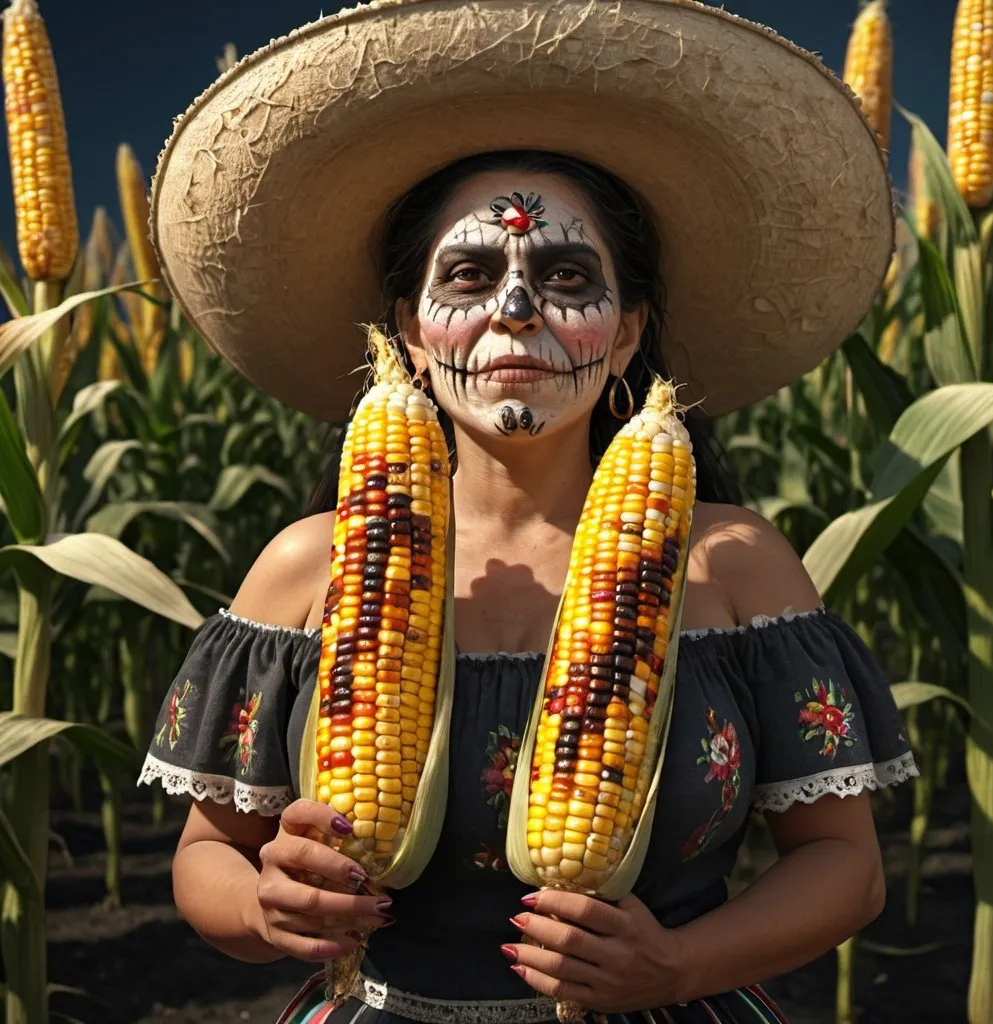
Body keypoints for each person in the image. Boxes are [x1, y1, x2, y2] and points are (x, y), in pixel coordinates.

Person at [138, 3, 916, 1022]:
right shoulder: (304, 568)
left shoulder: (730, 565)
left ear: (628, 331)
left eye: (562, 275)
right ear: (412, 334)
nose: (515, 308)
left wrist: (678, 965)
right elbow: (208, 857)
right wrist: (262, 902)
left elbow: (844, 869)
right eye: (468, 275)